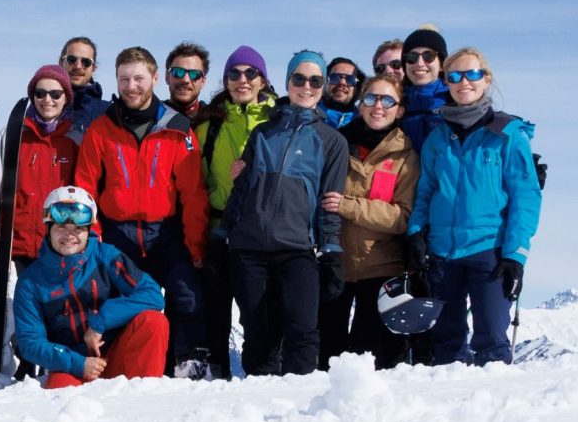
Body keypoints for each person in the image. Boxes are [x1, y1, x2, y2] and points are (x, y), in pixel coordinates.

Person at [75, 46, 212, 377]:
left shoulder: (177, 128)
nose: (131, 86)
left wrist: (195, 245)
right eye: (124, 79)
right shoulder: (100, 129)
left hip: (164, 232)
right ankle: (120, 368)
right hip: (117, 232)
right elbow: (85, 188)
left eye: (138, 78)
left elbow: (193, 193)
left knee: (186, 294)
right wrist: (91, 239)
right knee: (117, 300)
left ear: (154, 78)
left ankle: (188, 366)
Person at [407, 48, 540, 366]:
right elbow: (426, 191)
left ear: (487, 79)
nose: (463, 82)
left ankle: (492, 409)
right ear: (447, 83)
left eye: (472, 74)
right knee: (445, 343)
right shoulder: (438, 138)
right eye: (454, 76)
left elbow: (526, 197)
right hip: (442, 254)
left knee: (492, 340)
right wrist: (415, 232)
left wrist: (515, 254)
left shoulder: (507, 135)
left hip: (489, 253)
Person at [221, 50, 346, 377]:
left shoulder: (331, 141)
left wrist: (331, 251)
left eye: (315, 80)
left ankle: (299, 404)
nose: (306, 86)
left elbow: (329, 200)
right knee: (259, 334)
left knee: (302, 329)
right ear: (287, 83)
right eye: (299, 79)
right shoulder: (263, 132)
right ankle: (261, 406)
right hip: (249, 250)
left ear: (323, 86)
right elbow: (242, 188)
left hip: (297, 250)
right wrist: (221, 235)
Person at [11, 186, 169, 389]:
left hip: (117, 353)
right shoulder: (30, 282)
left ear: (88, 230)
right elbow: (31, 343)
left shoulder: (106, 256)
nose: (69, 235)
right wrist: (77, 363)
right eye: (61, 228)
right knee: (60, 391)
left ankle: (145, 398)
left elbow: (153, 295)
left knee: (153, 322)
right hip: (74, 365)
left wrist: (99, 323)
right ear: (48, 228)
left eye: (78, 229)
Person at [326, 73, 422, 371]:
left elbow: (402, 217)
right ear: (360, 103)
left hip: (381, 267)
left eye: (387, 100)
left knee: (372, 359)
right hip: (336, 263)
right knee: (328, 357)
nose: (377, 106)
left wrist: (348, 206)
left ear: (400, 110)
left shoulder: (407, 156)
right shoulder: (337, 145)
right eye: (370, 98)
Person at [194, 45, 273, 376]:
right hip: (217, 228)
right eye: (234, 74)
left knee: (257, 310)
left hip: (260, 231)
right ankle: (217, 370)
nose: (242, 79)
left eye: (250, 73)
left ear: (262, 80)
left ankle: (260, 372)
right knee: (215, 308)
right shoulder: (208, 126)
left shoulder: (277, 121)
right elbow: (194, 181)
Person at [0, 65, 84, 271]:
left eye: (55, 93)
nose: (47, 100)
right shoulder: (14, 136)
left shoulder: (76, 140)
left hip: (61, 247)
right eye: (40, 93)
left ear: (65, 98)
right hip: (18, 248)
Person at [396, 26, 450, 148]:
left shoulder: (455, 99)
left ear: (441, 64)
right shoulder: (396, 101)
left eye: (428, 56)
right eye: (412, 57)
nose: (420, 63)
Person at [59, 36, 111, 128]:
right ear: (61, 63)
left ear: (94, 68)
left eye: (86, 62)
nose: (78, 66)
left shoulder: (110, 113)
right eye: (71, 60)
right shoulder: (43, 106)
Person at [163, 43, 211, 121]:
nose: (185, 80)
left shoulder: (215, 122)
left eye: (194, 74)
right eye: (178, 72)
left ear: (203, 81)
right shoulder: (151, 118)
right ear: (167, 77)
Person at [319, 56, 365, 129]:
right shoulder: (307, 116)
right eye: (334, 77)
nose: (342, 82)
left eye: (350, 79)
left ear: (357, 88)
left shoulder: (364, 124)